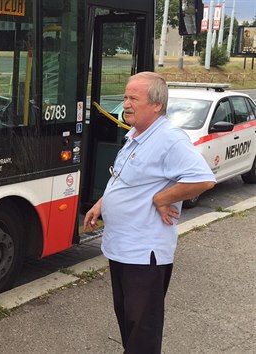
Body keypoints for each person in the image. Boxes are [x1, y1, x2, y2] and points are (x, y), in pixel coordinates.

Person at [84, 72, 215, 354]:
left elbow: (203, 178)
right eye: (125, 97)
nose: (126, 104)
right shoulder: (135, 135)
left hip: (145, 255)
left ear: (157, 105)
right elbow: (123, 179)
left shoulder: (169, 138)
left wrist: (162, 197)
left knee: (142, 332)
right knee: (128, 324)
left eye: (134, 98)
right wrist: (101, 203)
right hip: (121, 249)